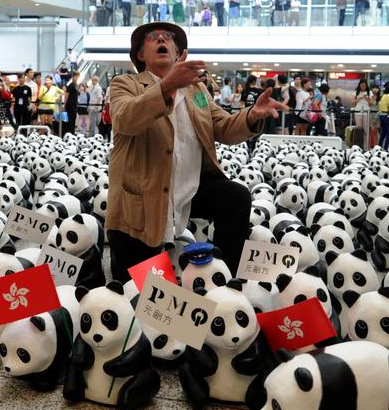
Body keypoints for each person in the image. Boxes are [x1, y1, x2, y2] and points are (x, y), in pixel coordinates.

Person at [105, 21, 286, 281]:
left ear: (180, 55)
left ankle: (226, 278)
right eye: (152, 37)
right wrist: (167, 86)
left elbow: (222, 126)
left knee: (235, 197)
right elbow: (125, 119)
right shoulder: (125, 84)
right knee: (137, 293)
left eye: (168, 37)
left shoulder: (196, 90)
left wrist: (251, 116)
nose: (161, 40)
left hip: (188, 188)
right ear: (140, 55)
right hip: (142, 199)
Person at [351, 79, 374, 144]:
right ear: (359, 85)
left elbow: (371, 103)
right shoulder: (356, 92)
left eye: (364, 85)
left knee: (366, 130)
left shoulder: (369, 92)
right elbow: (352, 102)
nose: (363, 86)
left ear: (366, 85)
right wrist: (359, 98)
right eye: (362, 85)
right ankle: (358, 144)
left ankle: (365, 145)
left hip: (366, 112)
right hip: (358, 112)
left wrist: (367, 98)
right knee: (358, 129)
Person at [377, 81, 389, 149]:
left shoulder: (382, 96)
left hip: (381, 115)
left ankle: (379, 146)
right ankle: (386, 148)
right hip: (387, 115)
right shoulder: (388, 96)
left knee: (383, 133)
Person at [64, 72, 79, 137]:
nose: (77, 78)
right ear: (73, 77)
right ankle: (70, 133)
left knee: (73, 120)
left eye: (78, 76)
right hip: (70, 105)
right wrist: (64, 104)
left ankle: (72, 132)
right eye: (76, 76)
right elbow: (66, 95)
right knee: (70, 120)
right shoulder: (71, 85)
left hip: (74, 105)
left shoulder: (76, 85)